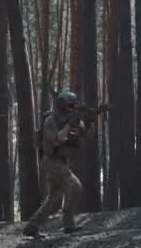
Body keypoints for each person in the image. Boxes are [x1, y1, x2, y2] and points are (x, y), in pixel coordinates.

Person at [23, 91, 94, 238]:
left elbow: (85, 137)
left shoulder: (71, 119)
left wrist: (89, 123)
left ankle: (32, 226)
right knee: (75, 186)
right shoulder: (50, 121)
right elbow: (57, 139)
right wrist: (70, 124)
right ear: (62, 106)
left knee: (54, 198)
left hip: (60, 161)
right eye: (70, 106)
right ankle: (68, 223)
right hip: (50, 160)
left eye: (74, 107)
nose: (73, 109)